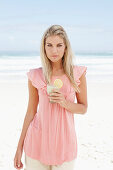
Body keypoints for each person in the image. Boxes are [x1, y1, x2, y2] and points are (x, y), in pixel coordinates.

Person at [14, 24, 88, 170]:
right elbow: (30, 112)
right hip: (37, 143)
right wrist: (19, 148)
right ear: (44, 47)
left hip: (64, 145)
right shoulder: (36, 75)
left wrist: (64, 102)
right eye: (50, 45)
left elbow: (83, 108)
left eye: (59, 45)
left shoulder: (77, 73)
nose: (54, 50)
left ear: (66, 47)